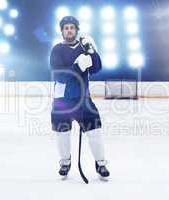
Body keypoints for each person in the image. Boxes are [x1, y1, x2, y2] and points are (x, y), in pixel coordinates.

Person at [50, 16, 110, 178]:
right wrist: (77, 66)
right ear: (62, 31)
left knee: (95, 131)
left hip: (83, 99)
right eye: (66, 28)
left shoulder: (83, 47)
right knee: (62, 133)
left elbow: (96, 68)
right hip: (62, 101)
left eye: (72, 27)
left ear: (76, 30)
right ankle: (65, 161)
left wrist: (91, 50)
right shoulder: (57, 49)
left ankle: (101, 163)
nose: (69, 30)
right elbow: (60, 76)